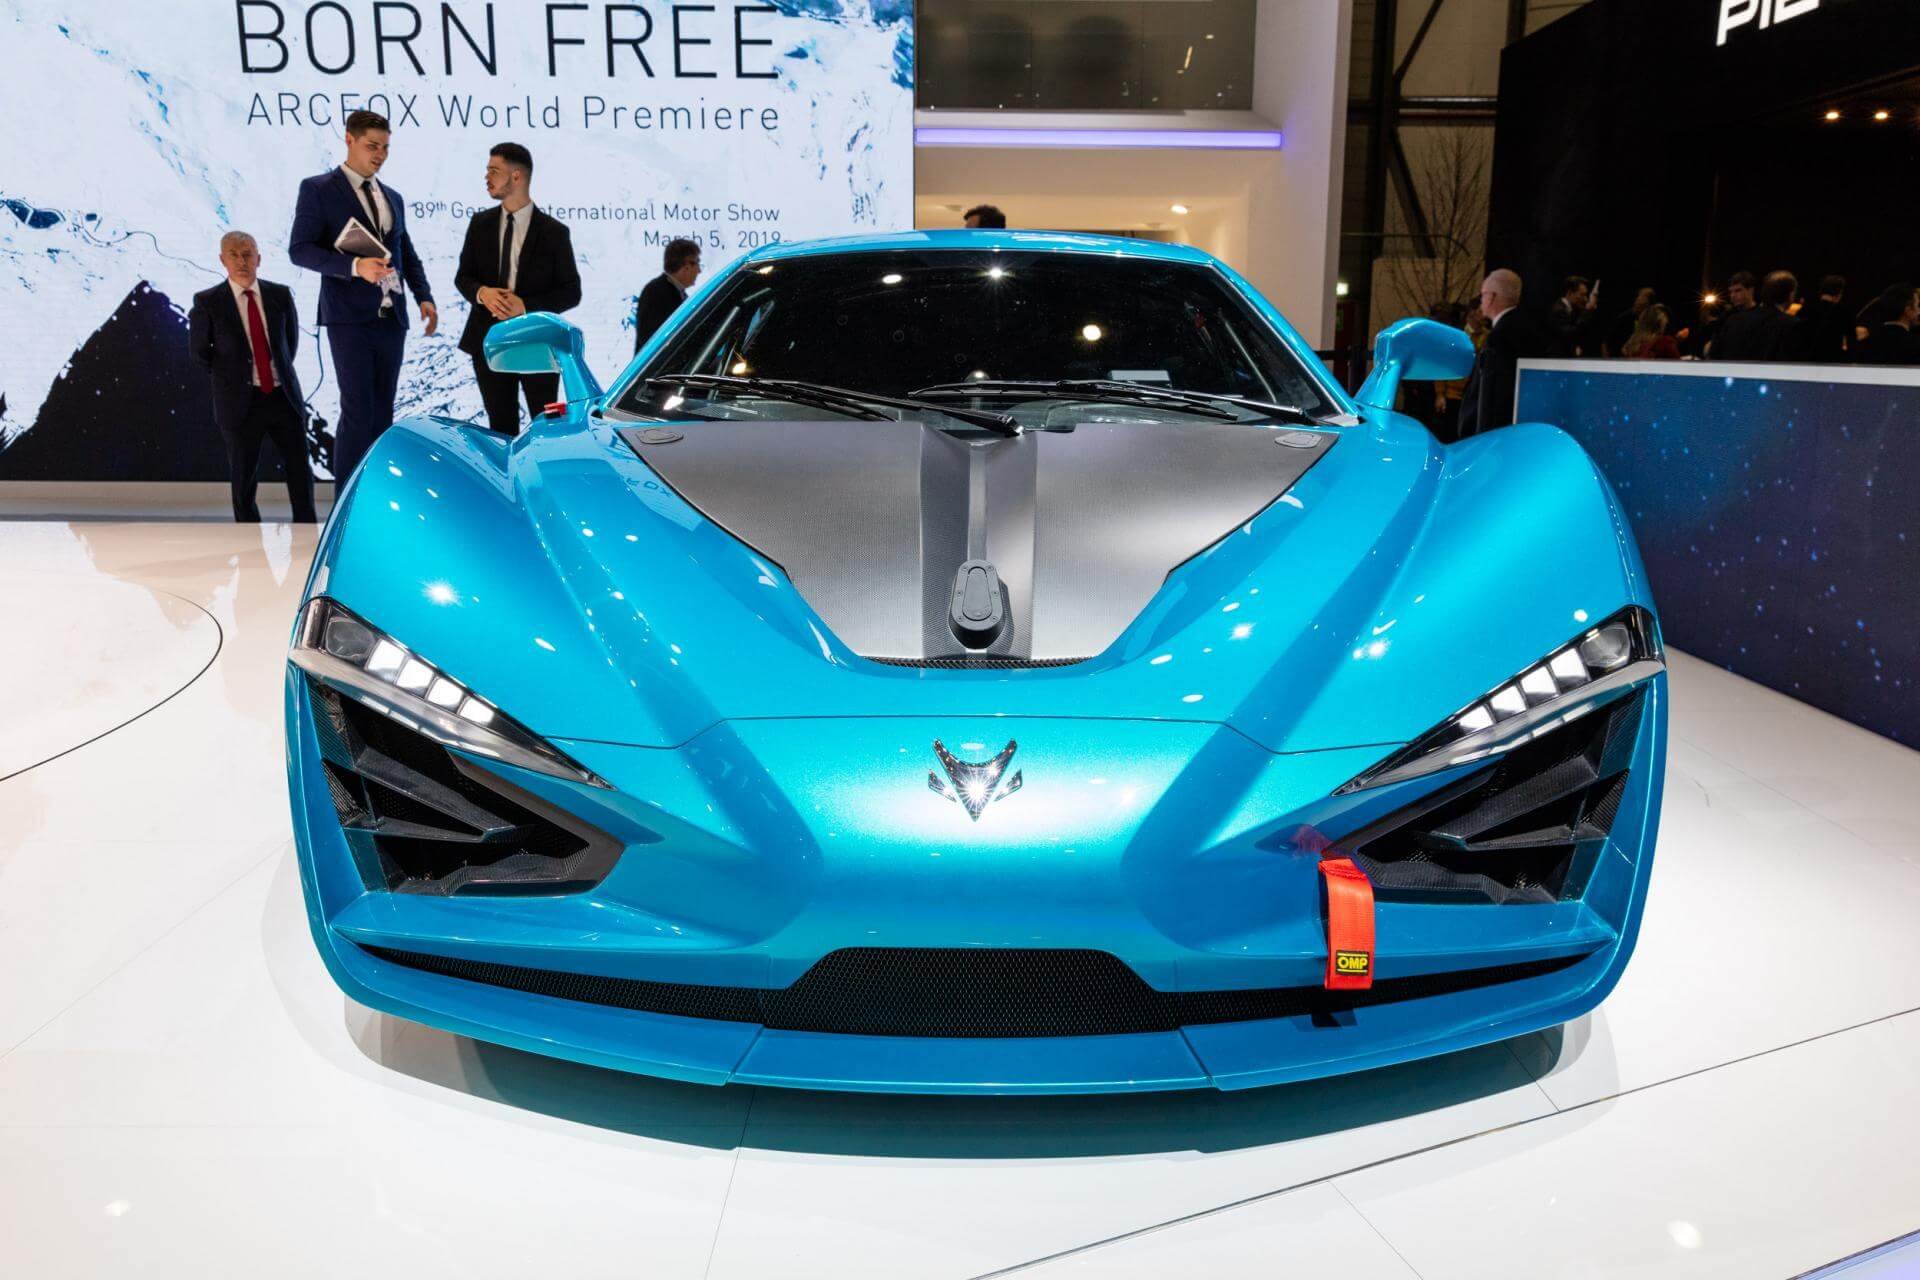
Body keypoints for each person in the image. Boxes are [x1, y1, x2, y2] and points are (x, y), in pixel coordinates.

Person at [288, 109, 437, 484]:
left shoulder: (393, 197)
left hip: (391, 318)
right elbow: (300, 250)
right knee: (357, 411)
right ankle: (347, 500)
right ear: (349, 140)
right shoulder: (319, 189)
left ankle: (375, 493)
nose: (380, 154)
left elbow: (405, 252)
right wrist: (355, 266)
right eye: (372, 146)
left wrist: (424, 296)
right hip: (348, 318)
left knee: (382, 414)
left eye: (385, 147)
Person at [453, 143, 582, 434]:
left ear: (516, 176)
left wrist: (525, 306)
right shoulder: (480, 224)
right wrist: (482, 293)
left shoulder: (554, 232)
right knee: (499, 427)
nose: (486, 177)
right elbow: (463, 277)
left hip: (536, 342)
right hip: (488, 340)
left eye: (494, 171)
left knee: (544, 425)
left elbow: (571, 291)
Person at [188, 231, 316, 523]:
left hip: (283, 396)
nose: (241, 261)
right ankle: (247, 534)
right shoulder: (208, 301)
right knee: (244, 475)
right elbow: (199, 352)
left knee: (299, 468)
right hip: (239, 402)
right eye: (233, 255)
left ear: (259, 258)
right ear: (222, 260)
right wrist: (231, 377)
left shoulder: (280, 295)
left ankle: (307, 529)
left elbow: (289, 344)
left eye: (247, 254)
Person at [1459, 269, 1548, 439]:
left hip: (1494, 434)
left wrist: (1483, 438)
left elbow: (1491, 396)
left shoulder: (1499, 337)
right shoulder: (1527, 330)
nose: (1481, 300)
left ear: (1492, 297)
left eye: (1483, 294)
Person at [1711, 270, 1801, 362]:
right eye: (1731, 292)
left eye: (1738, 291)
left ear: (1751, 290)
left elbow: (1714, 353)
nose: (1733, 296)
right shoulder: (1791, 324)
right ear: (1791, 294)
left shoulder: (1734, 320)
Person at [633, 238, 702, 354]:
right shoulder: (655, 292)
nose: (699, 271)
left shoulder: (678, 294)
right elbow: (650, 339)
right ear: (686, 265)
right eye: (697, 263)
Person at [1854, 283, 1920, 365]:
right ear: (1908, 310)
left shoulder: (1862, 345)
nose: (1919, 311)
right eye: (1918, 306)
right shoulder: (1915, 346)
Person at [1797, 275, 1850, 363]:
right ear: (1839, 293)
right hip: (1832, 362)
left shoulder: (1805, 309)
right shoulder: (1843, 313)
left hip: (1806, 361)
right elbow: (1850, 341)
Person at [1545, 274, 1601, 356]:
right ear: (1570, 293)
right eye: (1582, 295)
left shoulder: (1573, 310)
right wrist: (1587, 311)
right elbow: (1571, 334)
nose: (1585, 299)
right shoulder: (1558, 310)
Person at [1605, 287, 1656, 357]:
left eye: (1643, 297)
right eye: (1639, 296)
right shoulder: (1624, 317)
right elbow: (1607, 341)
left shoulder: (1653, 320)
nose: (1639, 299)